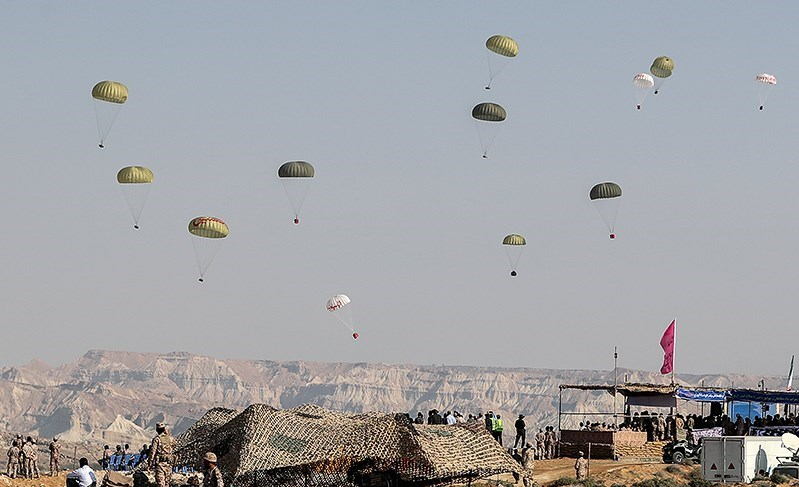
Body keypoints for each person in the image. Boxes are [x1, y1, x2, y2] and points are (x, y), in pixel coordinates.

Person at [148, 422, 174, 487]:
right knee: (167, 484)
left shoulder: (157, 439)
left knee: (161, 484)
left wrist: (150, 462)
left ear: (157, 430)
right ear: (164, 429)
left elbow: (153, 452)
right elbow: (173, 447)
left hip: (160, 464)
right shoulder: (171, 439)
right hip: (169, 464)